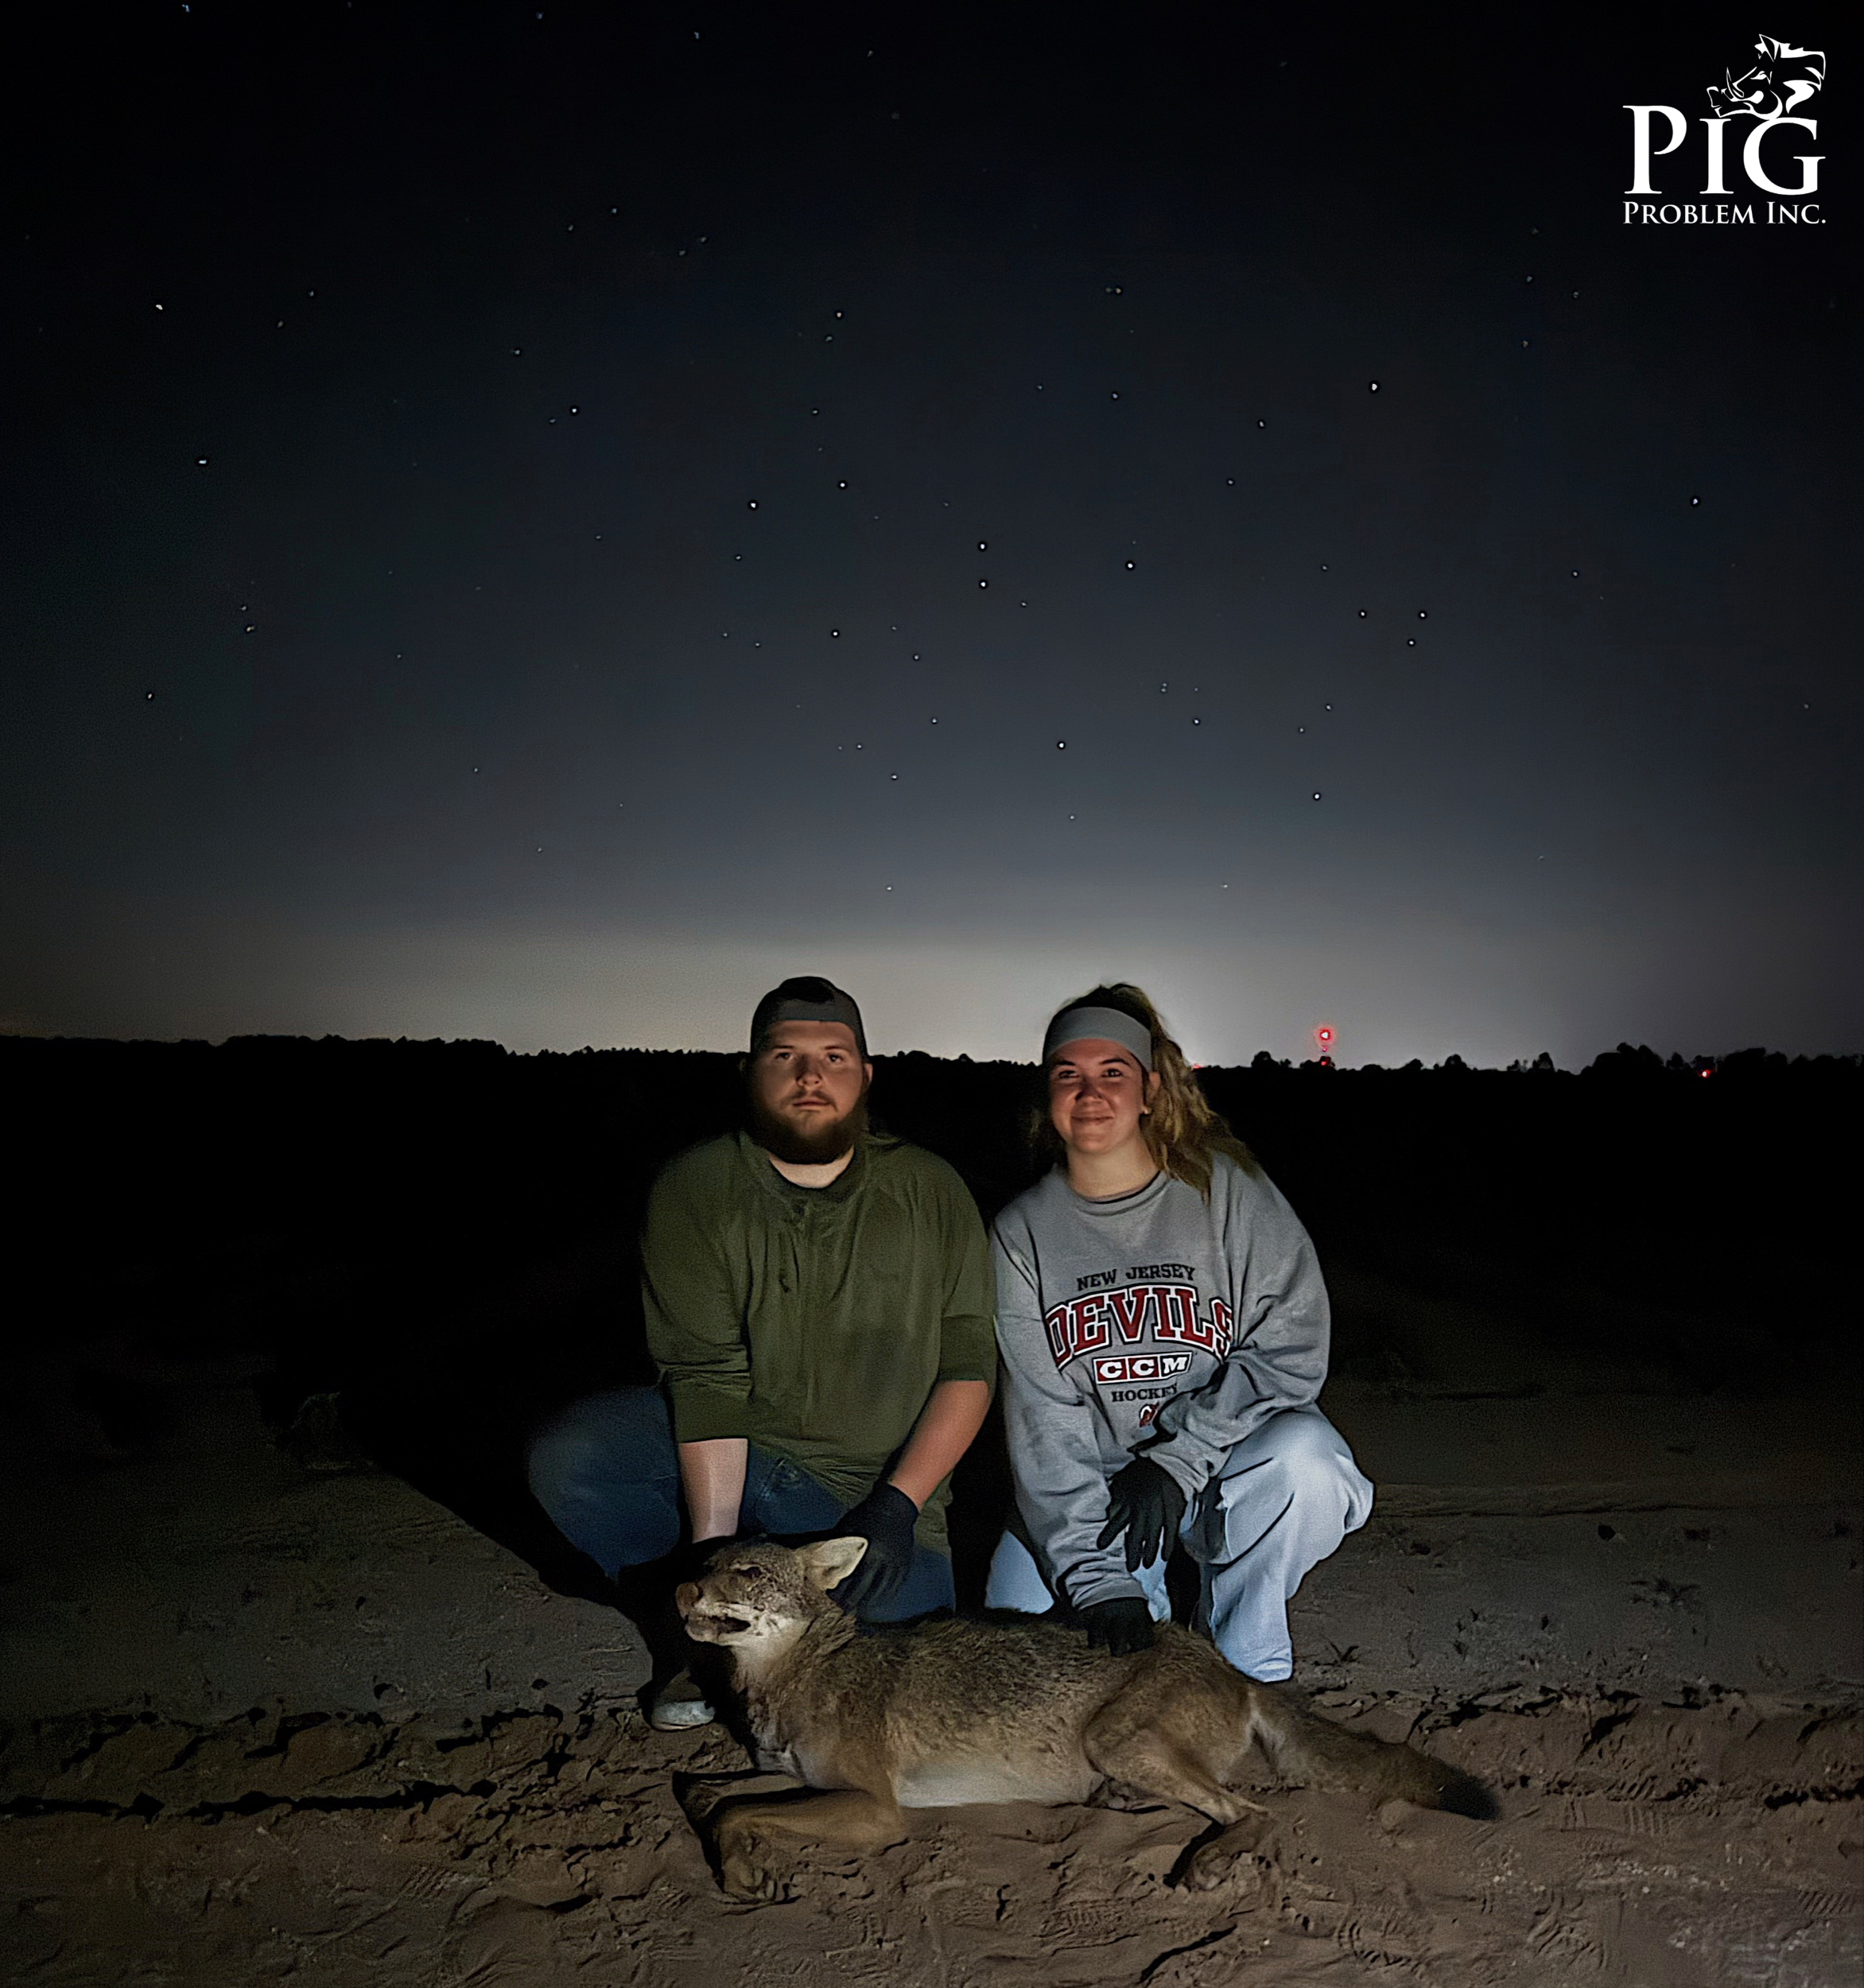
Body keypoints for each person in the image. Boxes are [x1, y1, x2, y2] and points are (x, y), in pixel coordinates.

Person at [527, 976, 996, 1726]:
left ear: (866, 1075)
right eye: (785, 1055)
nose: (811, 1077)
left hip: (865, 1496)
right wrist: (715, 1568)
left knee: (901, 1668)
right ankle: (690, 1634)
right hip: (743, 1453)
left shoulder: (930, 1189)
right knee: (574, 1457)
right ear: (750, 1071)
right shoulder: (695, 1187)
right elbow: (706, 1377)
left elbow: (970, 1367)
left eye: (834, 1057)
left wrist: (897, 1508)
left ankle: (763, 1617)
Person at [984, 984, 1372, 1683]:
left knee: (1309, 1462)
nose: (1090, 1092)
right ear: (1046, 1094)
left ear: (1149, 1090)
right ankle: (1151, 1593)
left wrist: (1177, 1459)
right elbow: (1043, 1424)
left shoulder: (1225, 1192)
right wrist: (1098, 1579)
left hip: (1217, 1463)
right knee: (1024, 1642)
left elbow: (1292, 1348)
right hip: (1100, 1493)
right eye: (1068, 1074)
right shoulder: (1021, 1234)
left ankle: (1245, 1644)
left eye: (1113, 1073)